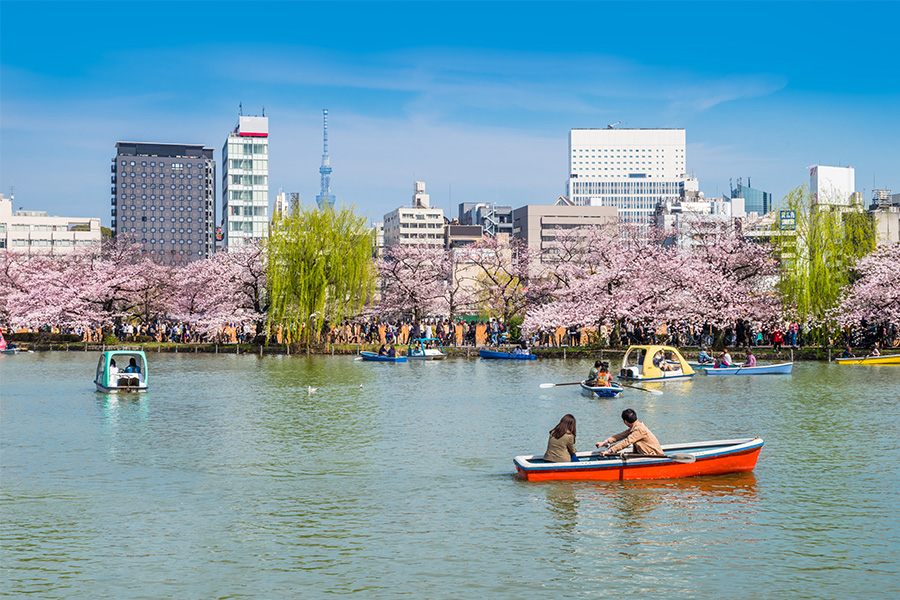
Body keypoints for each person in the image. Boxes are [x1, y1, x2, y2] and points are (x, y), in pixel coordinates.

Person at [596, 408, 663, 457]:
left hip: (654, 456)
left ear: (625, 421)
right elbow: (621, 435)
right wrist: (604, 442)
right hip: (645, 454)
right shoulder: (635, 426)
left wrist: (609, 451)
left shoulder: (639, 429)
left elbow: (626, 442)